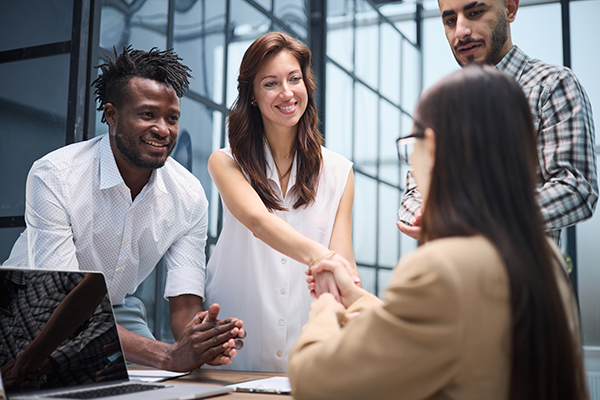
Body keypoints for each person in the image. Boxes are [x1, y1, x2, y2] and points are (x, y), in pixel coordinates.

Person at [289, 66, 588, 400]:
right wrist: (354, 297)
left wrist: (327, 311)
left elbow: (313, 380)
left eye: (411, 145)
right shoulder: (544, 257)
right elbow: (434, 329)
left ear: (430, 147)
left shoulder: (444, 268)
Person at [2, 46, 244, 372]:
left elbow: (185, 303)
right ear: (112, 115)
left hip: (119, 307)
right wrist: (167, 355)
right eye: (147, 114)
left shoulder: (188, 195)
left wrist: (199, 342)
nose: (163, 129)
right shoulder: (55, 175)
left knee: (173, 386)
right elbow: (61, 299)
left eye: (172, 118)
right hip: (36, 308)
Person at [205, 31, 360, 372]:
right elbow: (259, 222)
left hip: (306, 361)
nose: (287, 93)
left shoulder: (338, 171)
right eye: (271, 83)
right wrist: (322, 257)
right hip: (232, 356)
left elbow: (343, 260)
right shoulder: (226, 162)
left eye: (294, 79)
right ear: (253, 97)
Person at [398, 0, 597, 245]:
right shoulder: (440, 105)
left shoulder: (551, 86)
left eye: (475, 12)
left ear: (510, 8)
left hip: (522, 279)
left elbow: (576, 189)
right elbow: (413, 193)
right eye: (450, 21)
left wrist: (473, 220)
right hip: (449, 274)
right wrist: (425, 217)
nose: (460, 31)